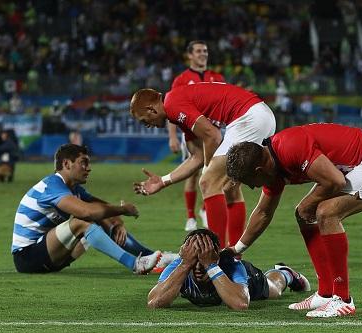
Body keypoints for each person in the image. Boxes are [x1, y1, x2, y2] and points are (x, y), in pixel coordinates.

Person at [225, 123, 362, 318]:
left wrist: (306, 207)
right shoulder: (272, 166)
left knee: (326, 213)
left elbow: (335, 180)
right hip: (358, 163)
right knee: (305, 214)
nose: (252, 188)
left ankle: (343, 300)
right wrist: (237, 249)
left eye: (250, 182)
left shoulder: (289, 147)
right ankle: (326, 293)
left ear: (259, 170)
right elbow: (263, 212)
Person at [129, 83, 276, 249]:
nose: (147, 125)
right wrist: (163, 181)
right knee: (229, 187)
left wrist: (208, 170)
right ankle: (233, 257)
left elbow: (213, 136)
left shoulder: (172, 104)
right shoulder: (176, 109)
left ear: (151, 109)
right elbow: (197, 157)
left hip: (248, 118)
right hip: (260, 115)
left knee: (208, 182)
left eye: (144, 121)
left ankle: (216, 256)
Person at [11, 143, 178, 274]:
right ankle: (135, 264)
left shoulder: (74, 189)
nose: (88, 168)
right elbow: (87, 212)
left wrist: (116, 221)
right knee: (81, 222)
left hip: (49, 257)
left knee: (101, 218)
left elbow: (100, 207)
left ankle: (155, 257)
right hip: (26, 257)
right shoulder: (52, 186)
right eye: (83, 163)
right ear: (67, 164)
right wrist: (122, 210)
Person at [147, 229, 310, 309]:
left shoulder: (231, 265)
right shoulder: (180, 264)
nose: (198, 266)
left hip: (245, 285)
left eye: (202, 259)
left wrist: (210, 266)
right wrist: (184, 265)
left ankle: (285, 272)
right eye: (194, 260)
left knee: (274, 289)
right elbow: (154, 302)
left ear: (215, 257)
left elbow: (240, 304)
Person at [168, 40, 225, 232]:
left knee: (215, 172)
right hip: (192, 134)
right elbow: (171, 109)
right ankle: (191, 217)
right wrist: (172, 137)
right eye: (199, 51)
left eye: (205, 50)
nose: (203, 54)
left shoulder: (216, 77)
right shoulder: (181, 80)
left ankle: (204, 209)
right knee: (193, 173)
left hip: (213, 133)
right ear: (190, 55)